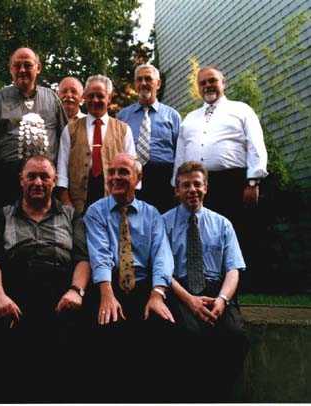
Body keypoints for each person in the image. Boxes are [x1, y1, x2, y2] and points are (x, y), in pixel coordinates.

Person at [0, 155, 91, 402]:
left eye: (44, 177)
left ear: (54, 180)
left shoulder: (71, 216)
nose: (38, 182)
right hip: (15, 296)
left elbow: (82, 259)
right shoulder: (2, 216)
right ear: (21, 180)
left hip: (60, 296)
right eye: (32, 176)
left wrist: (76, 291)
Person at [83, 152, 175, 402]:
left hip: (145, 287)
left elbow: (162, 256)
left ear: (138, 178)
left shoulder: (152, 214)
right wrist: (106, 295)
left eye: (123, 172)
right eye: (111, 172)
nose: (115, 177)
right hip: (109, 284)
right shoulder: (96, 212)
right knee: (106, 330)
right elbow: (100, 254)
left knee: (163, 330)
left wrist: (157, 294)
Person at [163, 161, 249, 402]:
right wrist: (190, 301)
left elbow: (233, 269)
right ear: (177, 190)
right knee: (189, 336)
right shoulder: (164, 223)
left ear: (206, 188)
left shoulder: (223, 224)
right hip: (180, 290)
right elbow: (162, 271)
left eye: (197, 184)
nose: (192, 190)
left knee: (236, 337)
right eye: (186, 185)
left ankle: (219, 396)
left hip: (216, 291)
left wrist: (222, 300)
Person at [173, 65, 268, 277]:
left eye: (212, 81)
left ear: (223, 83)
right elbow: (180, 155)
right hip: (198, 186)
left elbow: (256, 146)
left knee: (236, 233)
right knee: (204, 235)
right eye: (203, 83)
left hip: (233, 182)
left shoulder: (241, 110)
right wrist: (176, 185)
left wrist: (253, 182)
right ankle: (208, 282)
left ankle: (239, 285)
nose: (208, 86)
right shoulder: (190, 118)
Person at [0, 47, 68, 211]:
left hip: (45, 180)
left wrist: (63, 181)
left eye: (27, 65)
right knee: (8, 221)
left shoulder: (52, 98)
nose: (22, 70)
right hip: (7, 179)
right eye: (17, 65)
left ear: (38, 68)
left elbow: (65, 138)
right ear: (11, 69)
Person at [57, 75, 135, 213]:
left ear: (109, 97)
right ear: (84, 97)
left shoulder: (124, 130)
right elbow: (62, 168)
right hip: (78, 204)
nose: (95, 100)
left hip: (114, 203)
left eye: (100, 96)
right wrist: (66, 201)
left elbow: (133, 170)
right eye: (91, 96)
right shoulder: (70, 129)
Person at [116, 64, 181, 213]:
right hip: (131, 177)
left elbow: (180, 151)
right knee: (133, 220)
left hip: (163, 178)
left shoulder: (172, 116)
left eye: (148, 79)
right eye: (139, 79)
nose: (143, 83)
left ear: (158, 83)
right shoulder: (122, 116)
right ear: (135, 84)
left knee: (163, 221)